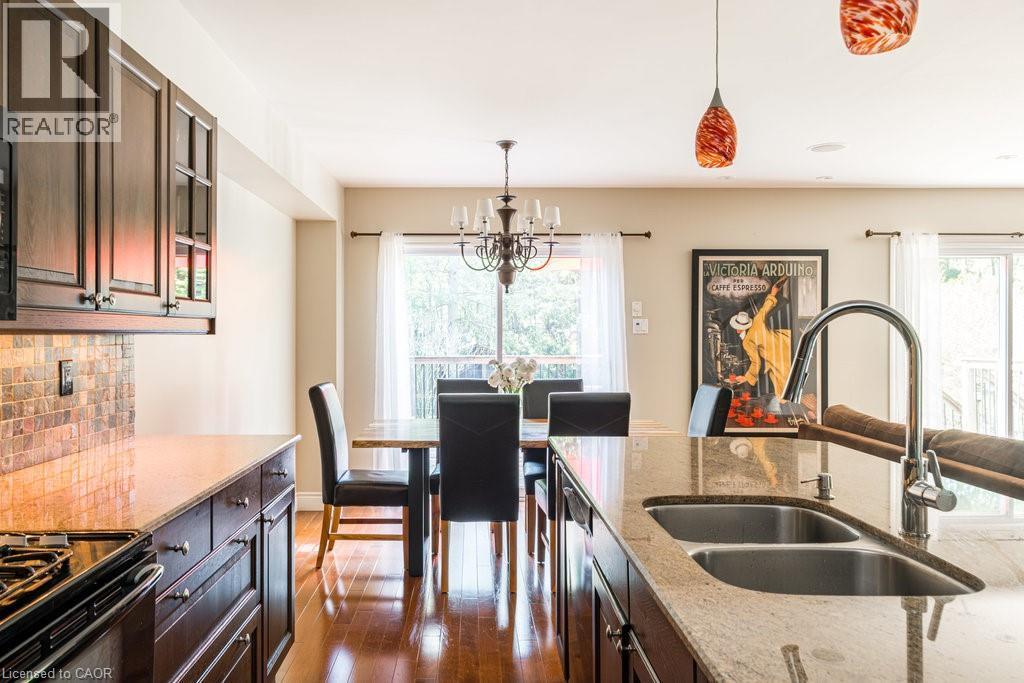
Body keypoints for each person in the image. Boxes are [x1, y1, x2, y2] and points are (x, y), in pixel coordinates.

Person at [729, 276, 791, 398]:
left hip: (776, 358)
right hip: (785, 342)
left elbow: (756, 363)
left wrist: (747, 377)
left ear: (738, 329)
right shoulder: (757, 320)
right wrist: (774, 291)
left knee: (784, 391)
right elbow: (766, 306)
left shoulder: (747, 341)